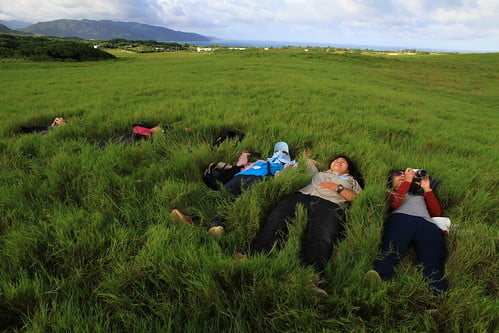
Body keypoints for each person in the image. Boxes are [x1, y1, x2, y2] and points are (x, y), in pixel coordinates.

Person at [247, 154, 364, 295]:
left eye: (343, 162)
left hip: (330, 204)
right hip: (302, 196)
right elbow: (308, 161)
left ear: (349, 169)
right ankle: (254, 257)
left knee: (321, 235)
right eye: (335, 160)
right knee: (276, 221)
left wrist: (337, 188)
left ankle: (310, 278)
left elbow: (358, 198)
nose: (338, 162)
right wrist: (318, 162)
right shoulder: (319, 173)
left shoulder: (352, 181)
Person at [171, 142, 297, 234]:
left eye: (284, 152)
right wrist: (244, 158)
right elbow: (241, 165)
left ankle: (216, 226)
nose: (281, 153)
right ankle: (191, 217)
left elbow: (300, 168)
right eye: (280, 151)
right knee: (219, 196)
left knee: (235, 202)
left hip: (259, 180)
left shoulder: (290, 164)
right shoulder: (261, 161)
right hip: (240, 177)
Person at [366, 168, 446, 295]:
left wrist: (427, 189)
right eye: (398, 175)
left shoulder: (419, 196)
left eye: (405, 174)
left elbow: (436, 212)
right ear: (390, 181)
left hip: (426, 223)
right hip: (401, 218)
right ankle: (379, 274)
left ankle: (435, 294)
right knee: (392, 246)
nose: (402, 176)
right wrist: (407, 181)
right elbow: (394, 204)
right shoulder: (389, 192)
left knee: (432, 257)